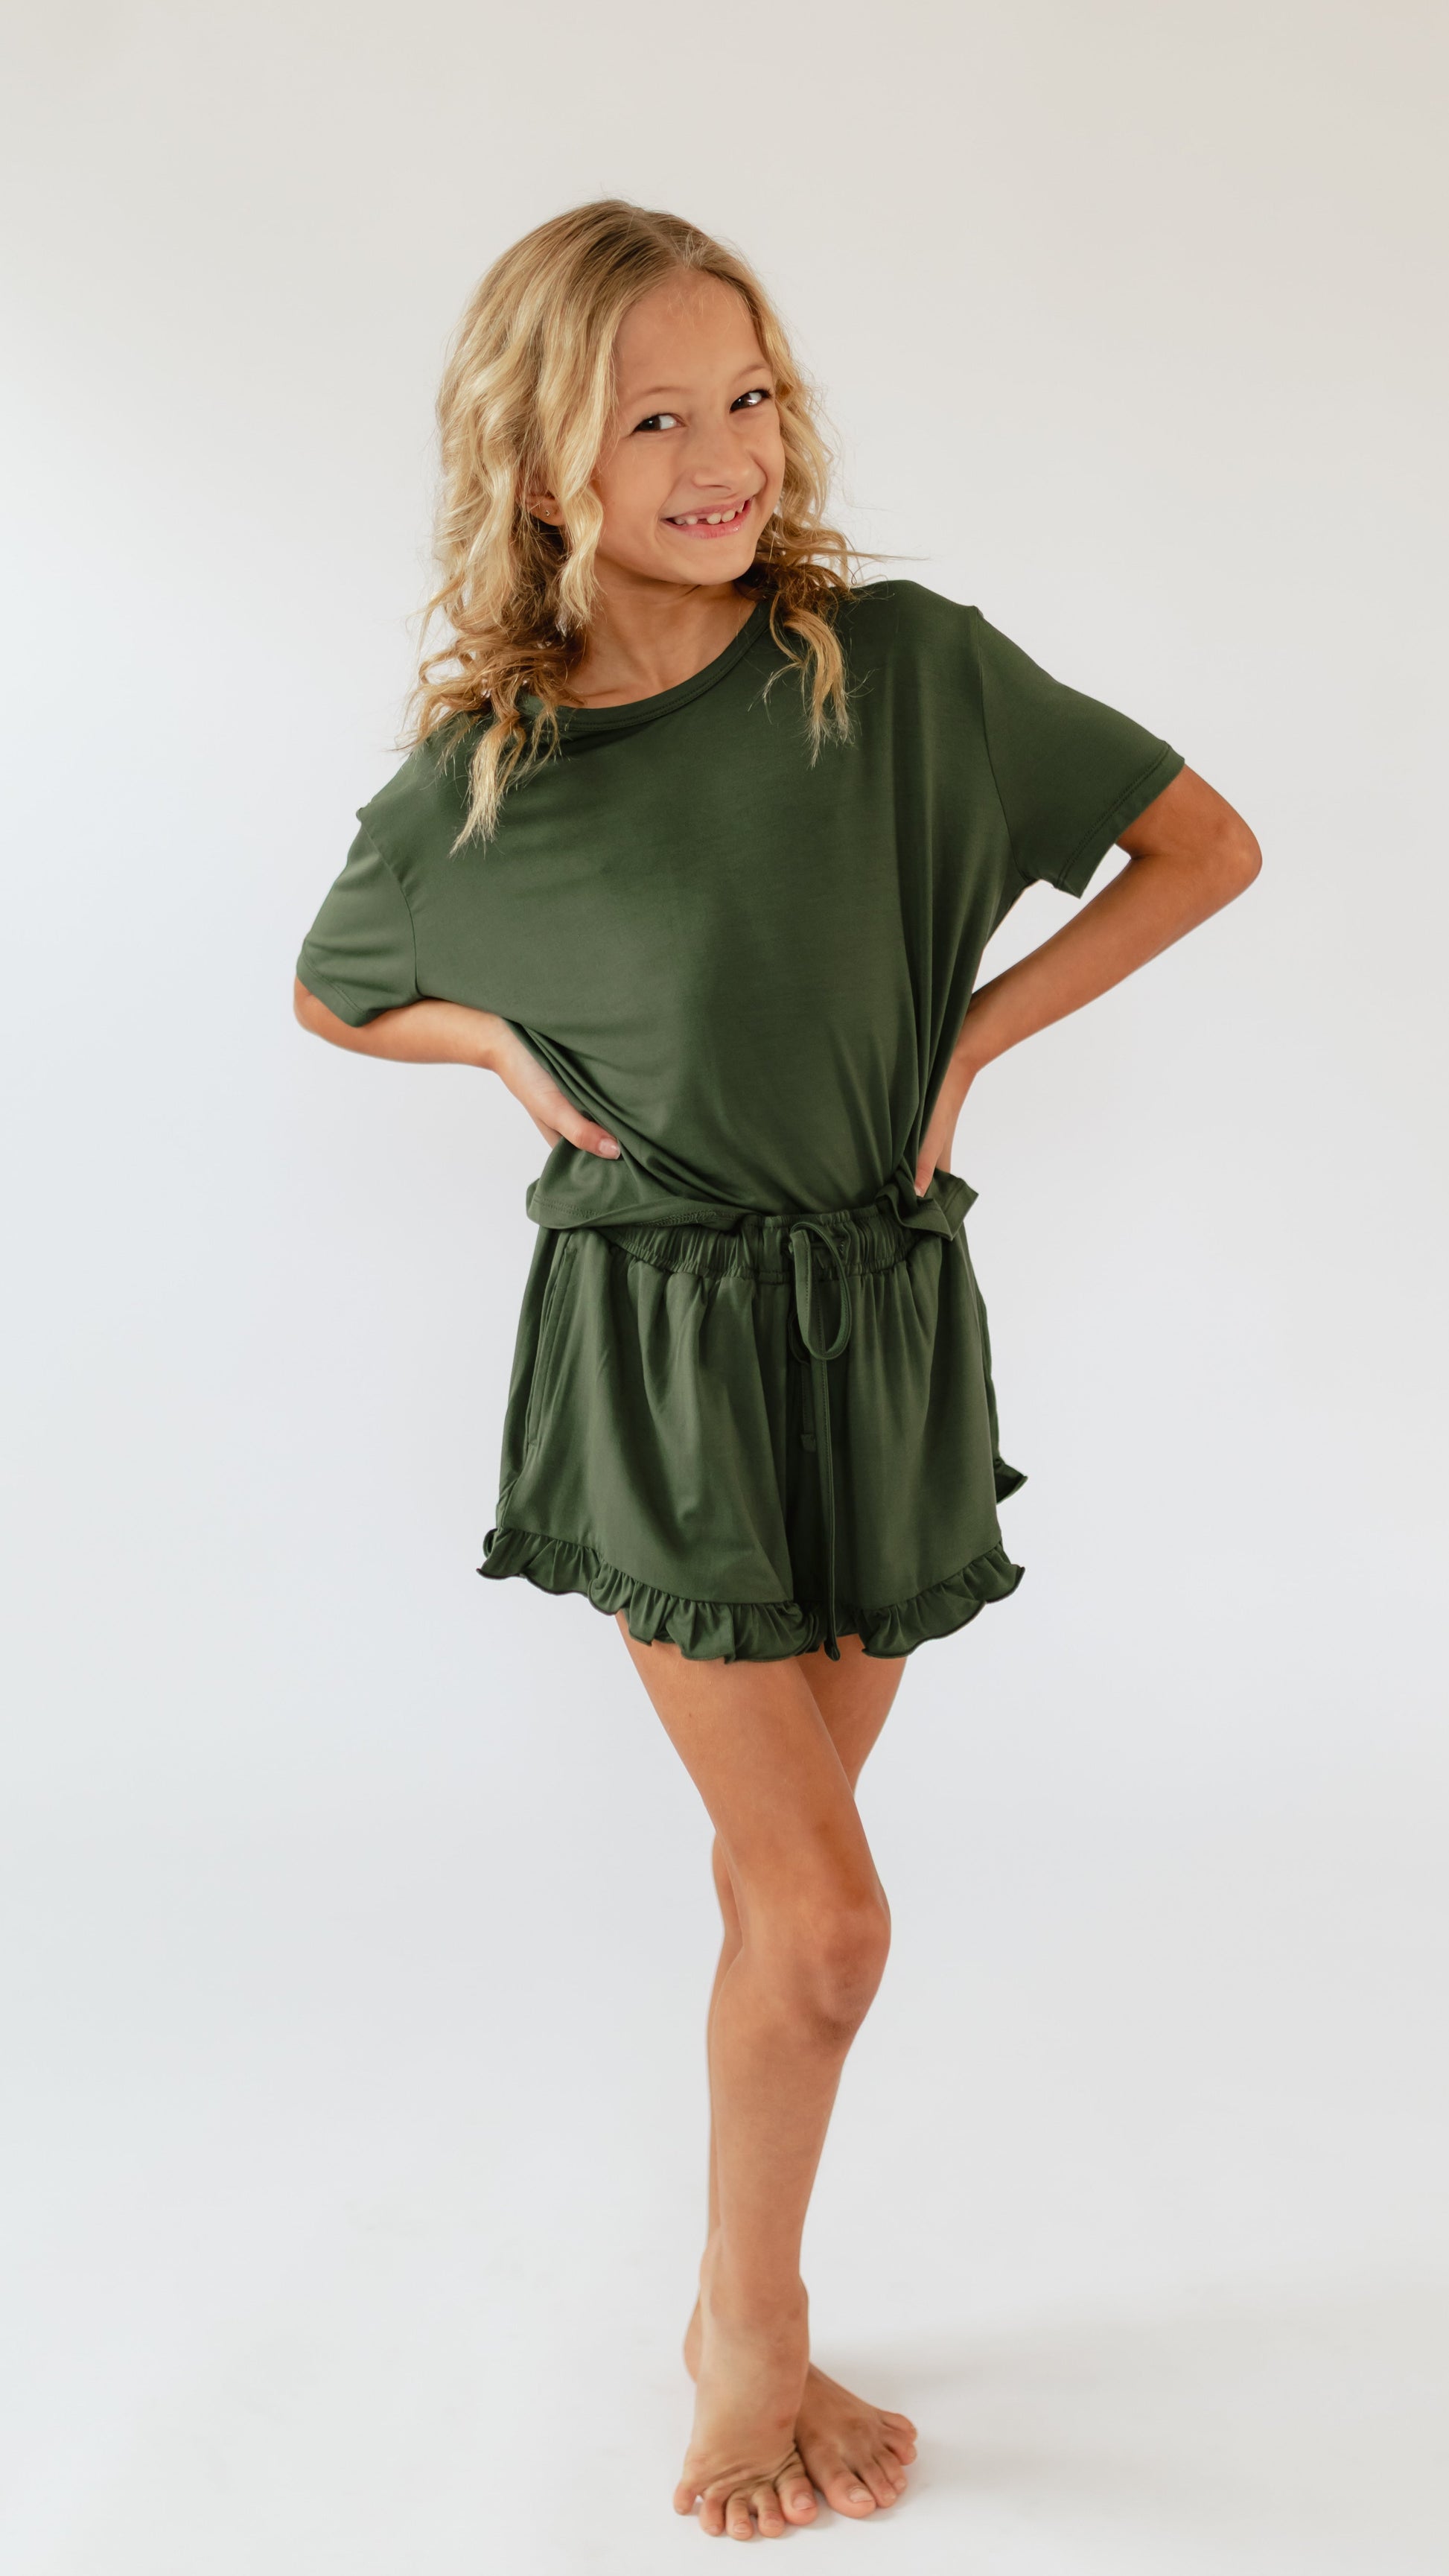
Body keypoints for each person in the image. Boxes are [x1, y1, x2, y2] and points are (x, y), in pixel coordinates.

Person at [293, 198, 1261, 2542]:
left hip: (879, 1323)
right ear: (539, 457)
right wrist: (495, 1044)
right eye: (652, 418)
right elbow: (333, 981)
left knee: (776, 1908)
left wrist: (969, 1042)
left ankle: (734, 2305)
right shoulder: (492, 772)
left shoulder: (901, 671)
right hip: (661, 1357)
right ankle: (753, 2325)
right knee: (826, 1917)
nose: (721, 453)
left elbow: (1200, 846)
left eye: (743, 397)